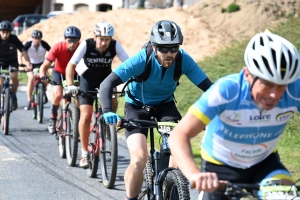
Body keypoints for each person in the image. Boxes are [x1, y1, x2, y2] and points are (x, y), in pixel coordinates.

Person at [168, 30, 300, 200]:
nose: (274, 95)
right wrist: (194, 175)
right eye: (267, 84)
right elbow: (179, 135)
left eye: (282, 86)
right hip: (220, 169)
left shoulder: (294, 90)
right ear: (247, 75)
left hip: (264, 165)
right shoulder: (227, 91)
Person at [99, 20, 213, 200]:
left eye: (173, 48)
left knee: (178, 151)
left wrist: (221, 111)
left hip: (165, 106)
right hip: (137, 107)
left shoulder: (183, 60)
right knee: (139, 159)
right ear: (154, 46)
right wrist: (107, 111)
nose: (169, 54)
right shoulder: (142, 59)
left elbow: (209, 88)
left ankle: (171, 186)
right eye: (163, 49)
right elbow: (107, 83)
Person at [65, 22, 129, 168]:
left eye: (107, 39)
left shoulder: (115, 45)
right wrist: (70, 85)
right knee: (86, 115)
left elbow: (129, 63)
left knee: (112, 102)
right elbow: (71, 66)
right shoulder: (86, 45)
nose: (104, 43)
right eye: (101, 39)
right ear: (95, 37)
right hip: (86, 81)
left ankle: (107, 128)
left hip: (105, 81)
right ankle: (84, 154)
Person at [39, 26, 81, 134]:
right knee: (57, 94)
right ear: (65, 39)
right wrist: (43, 76)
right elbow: (45, 66)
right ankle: (53, 118)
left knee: (80, 97)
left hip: (76, 73)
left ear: (79, 40)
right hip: (59, 73)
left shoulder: (81, 48)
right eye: (69, 40)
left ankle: (78, 122)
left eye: (75, 40)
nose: (72, 44)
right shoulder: (57, 47)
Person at [0, 20, 31, 110]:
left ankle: (13, 95)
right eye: (3, 32)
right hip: (0, 61)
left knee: (14, 76)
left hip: (12, 61)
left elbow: (23, 50)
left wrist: (28, 63)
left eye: (7, 32)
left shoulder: (14, 39)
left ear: (10, 32)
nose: (5, 34)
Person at [20, 30, 51, 110]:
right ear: (32, 38)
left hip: (42, 64)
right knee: (31, 78)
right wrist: (22, 64)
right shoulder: (28, 44)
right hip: (31, 64)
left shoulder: (43, 44)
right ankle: (29, 100)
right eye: (35, 38)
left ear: (41, 39)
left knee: (45, 78)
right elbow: (21, 54)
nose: (36, 40)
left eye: (38, 38)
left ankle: (43, 90)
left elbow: (52, 53)